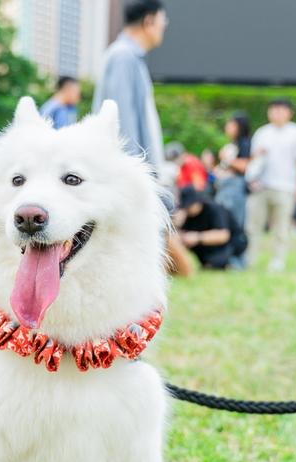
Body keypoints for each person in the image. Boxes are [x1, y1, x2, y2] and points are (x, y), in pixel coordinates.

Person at [93, 0, 168, 174]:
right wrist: (134, 175)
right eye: (162, 21)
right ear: (148, 21)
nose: (164, 27)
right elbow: (123, 123)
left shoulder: (129, 56)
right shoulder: (123, 56)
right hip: (127, 176)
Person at [246, 99, 296, 271]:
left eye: (281, 110)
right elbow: (253, 161)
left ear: (289, 113)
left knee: (281, 226)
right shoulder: (262, 133)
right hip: (261, 186)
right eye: (273, 110)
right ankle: (250, 257)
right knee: (253, 225)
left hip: (286, 187)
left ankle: (278, 260)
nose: (277, 113)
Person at [173, 186, 245, 270]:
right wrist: (178, 224)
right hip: (206, 247)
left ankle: (233, 262)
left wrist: (197, 237)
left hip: (232, 243)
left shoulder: (214, 209)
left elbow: (223, 236)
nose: (187, 209)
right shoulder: (187, 215)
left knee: (216, 263)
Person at [213, 113, 251, 255]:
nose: (227, 127)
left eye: (231, 124)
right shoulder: (233, 144)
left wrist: (226, 159)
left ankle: (236, 258)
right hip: (225, 187)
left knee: (233, 223)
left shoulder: (245, 143)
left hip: (234, 189)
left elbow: (245, 166)